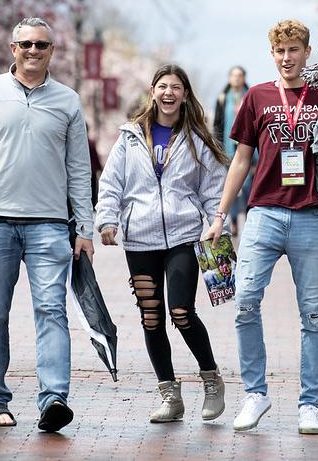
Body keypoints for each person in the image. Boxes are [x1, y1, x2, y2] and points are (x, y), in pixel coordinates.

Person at [0, 17, 94, 432]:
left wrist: (84, 226)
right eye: (26, 44)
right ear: (13, 48)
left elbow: (79, 169)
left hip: (49, 224)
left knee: (52, 310)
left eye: (42, 46)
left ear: (52, 51)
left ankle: (53, 400)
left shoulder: (68, 100)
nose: (33, 51)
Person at [206, 19, 318, 435]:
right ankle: (256, 393)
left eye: (294, 50)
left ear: (307, 52)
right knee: (245, 300)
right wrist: (220, 216)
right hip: (263, 214)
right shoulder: (257, 96)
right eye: (280, 51)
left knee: (314, 314)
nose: (287, 58)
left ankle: (310, 404)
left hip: (311, 216)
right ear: (272, 55)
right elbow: (241, 159)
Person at [95, 64, 229, 423]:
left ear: (185, 94)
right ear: (153, 91)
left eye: (177, 87)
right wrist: (107, 219)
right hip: (139, 239)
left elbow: (214, 189)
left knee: (181, 312)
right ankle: (170, 395)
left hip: (184, 237)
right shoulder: (130, 137)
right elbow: (111, 184)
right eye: (163, 86)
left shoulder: (197, 139)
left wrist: (216, 223)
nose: (169, 93)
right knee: (151, 318)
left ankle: (211, 379)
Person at [213, 66, 252, 235]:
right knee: (232, 186)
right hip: (228, 149)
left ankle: (251, 220)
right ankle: (234, 221)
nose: (236, 79)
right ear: (229, 78)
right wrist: (218, 149)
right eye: (234, 76)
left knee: (249, 186)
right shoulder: (222, 98)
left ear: (244, 78)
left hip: (250, 149)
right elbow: (218, 125)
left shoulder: (251, 96)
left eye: (240, 76)